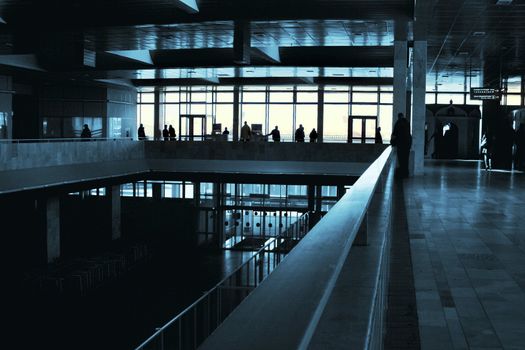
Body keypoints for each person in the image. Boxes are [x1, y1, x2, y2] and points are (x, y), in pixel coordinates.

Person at [391, 112, 412, 178]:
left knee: (401, 159)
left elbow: (394, 134)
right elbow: (409, 134)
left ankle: (402, 173)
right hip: (407, 144)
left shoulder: (398, 123)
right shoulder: (407, 123)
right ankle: (406, 173)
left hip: (400, 144)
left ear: (398, 117)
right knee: (406, 159)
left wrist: (392, 142)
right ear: (403, 116)